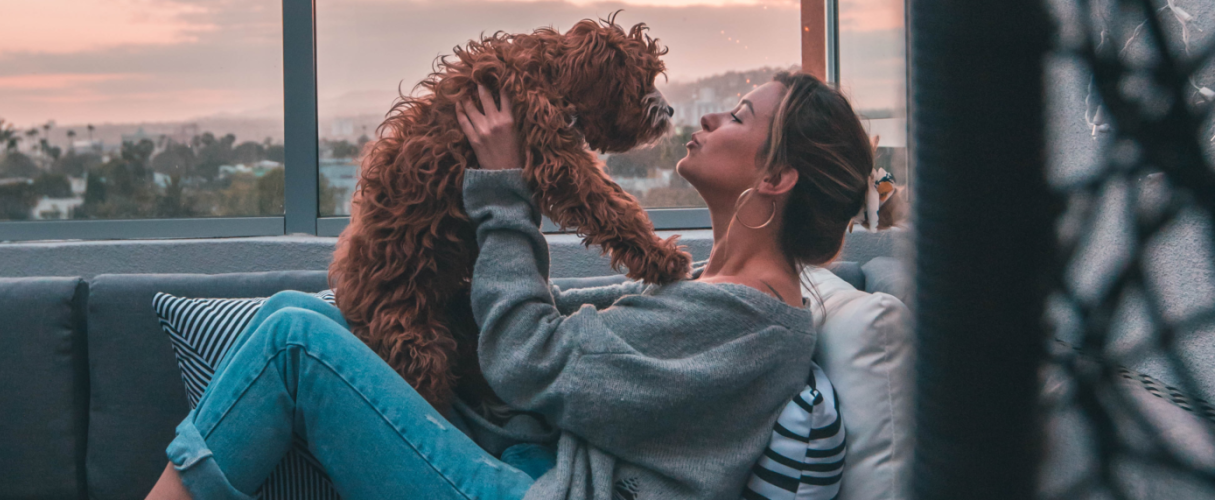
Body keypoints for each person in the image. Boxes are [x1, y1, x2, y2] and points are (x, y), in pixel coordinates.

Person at [145, 71, 874, 500]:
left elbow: (533, 358)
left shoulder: (748, 323)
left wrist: (503, 186)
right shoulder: (727, 292)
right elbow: (583, 356)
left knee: (290, 342)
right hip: (532, 464)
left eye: (739, 117)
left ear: (775, 179)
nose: (711, 116)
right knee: (304, 311)